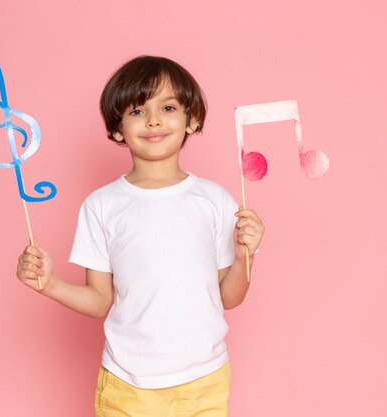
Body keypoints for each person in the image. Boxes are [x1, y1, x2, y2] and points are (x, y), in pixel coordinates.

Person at [16, 55, 265, 417]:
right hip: (127, 384)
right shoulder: (101, 206)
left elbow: (230, 297)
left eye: (168, 107)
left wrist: (247, 254)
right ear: (117, 129)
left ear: (191, 119)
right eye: (136, 111)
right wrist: (48, 283)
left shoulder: (215, 200)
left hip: (205, 379)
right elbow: (99, 301)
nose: (153, 120)